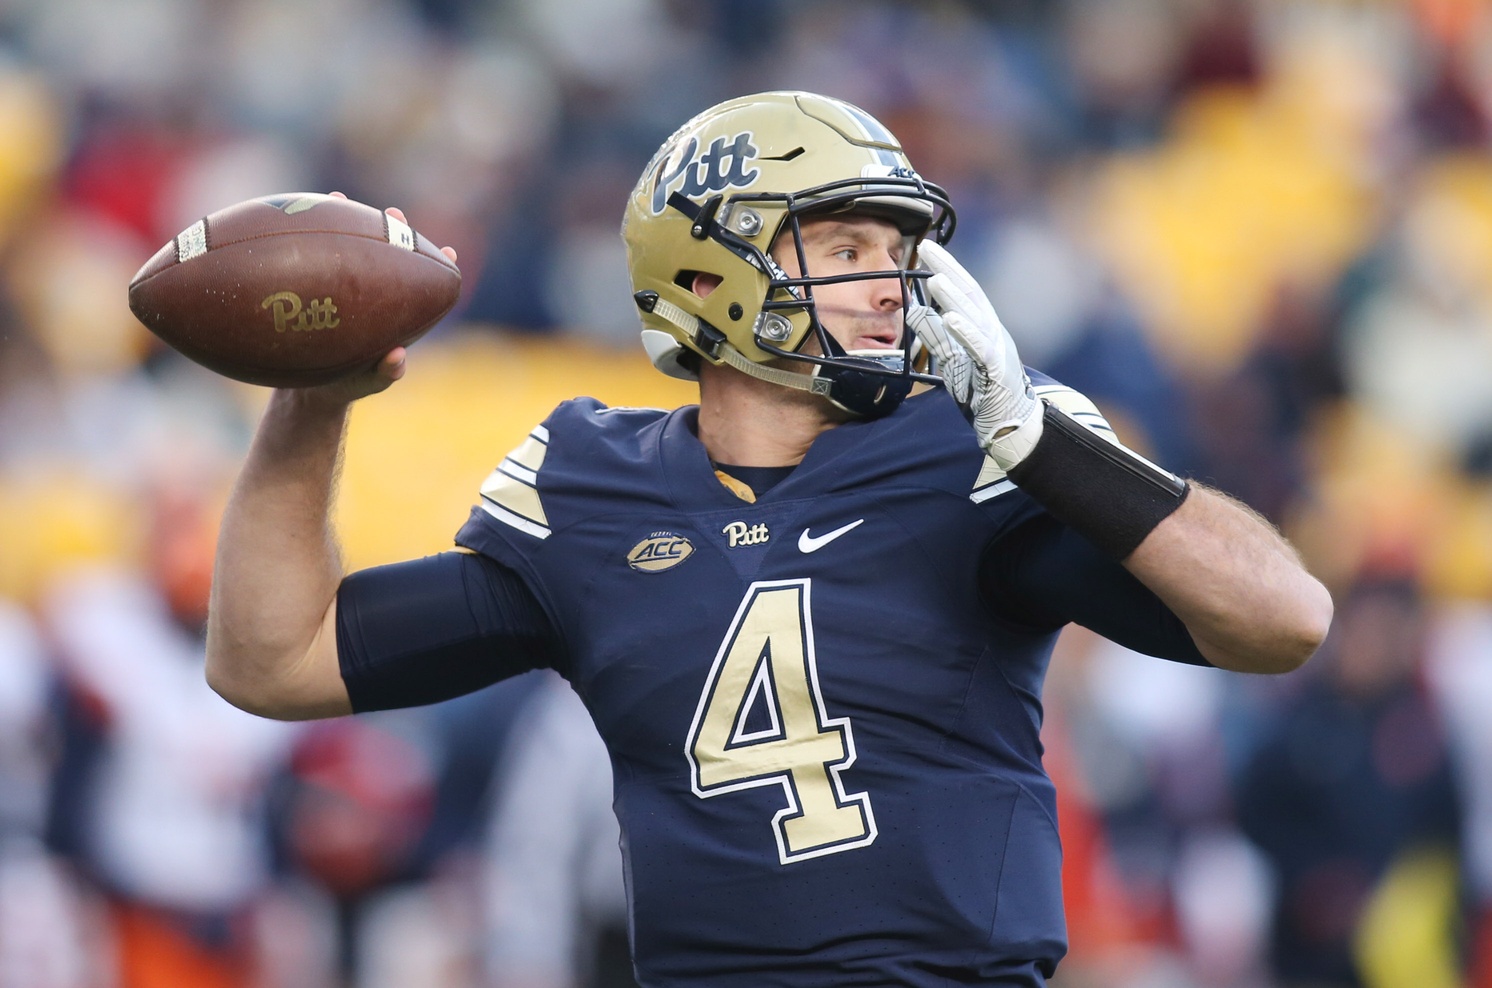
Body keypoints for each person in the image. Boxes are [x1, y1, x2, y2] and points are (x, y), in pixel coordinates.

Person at [204, 92, 1333, 986]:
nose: (892, 285)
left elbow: (1281, 621)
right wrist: (312, 404)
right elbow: (274, 660)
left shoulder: (972, 450)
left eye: (896, 249)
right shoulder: (593, 488)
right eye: (844, 249)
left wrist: (1037, 439)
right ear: (706, 276)